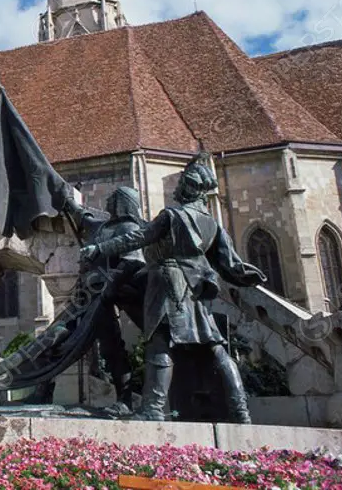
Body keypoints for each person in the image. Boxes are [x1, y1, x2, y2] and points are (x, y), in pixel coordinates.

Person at [80, 154, 266, 423]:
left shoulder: (172, 216)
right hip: (196, 288)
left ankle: (153, 408)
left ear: (188, 188)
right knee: (214, 346)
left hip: (169, 284)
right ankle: (240, 410)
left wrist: (100, 247)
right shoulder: (212, 224)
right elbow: (231, 264)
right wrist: (252, 276)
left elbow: (139, 237)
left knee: (160, 341)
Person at [62, 186, 147, 407]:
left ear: (122, 203)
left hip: (116, 295)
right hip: (93, 297)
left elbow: (133, 261)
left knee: (115, 348)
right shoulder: (103, 226)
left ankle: (126, 399)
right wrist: (69, 203)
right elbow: (85, 218)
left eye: (112, 198)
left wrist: (111, 283)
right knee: (100, 345)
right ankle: (44, 391)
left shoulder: (129, 227)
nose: (107, 200)